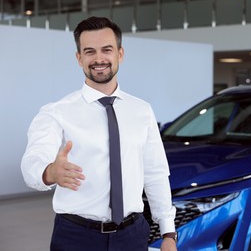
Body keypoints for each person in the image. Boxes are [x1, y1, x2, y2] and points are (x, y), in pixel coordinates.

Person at [21, 16, 177, 251]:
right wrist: (49, 172)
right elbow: (32, 161)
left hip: (132, 235)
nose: (99, 59)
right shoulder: (56, 112)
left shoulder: (142, 110)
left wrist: (168, 233)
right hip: (76, 237)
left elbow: (155, 173)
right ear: (79, 58)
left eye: (107, 50)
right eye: (89, 52)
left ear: (120, 54)